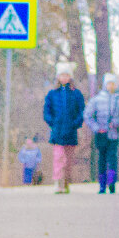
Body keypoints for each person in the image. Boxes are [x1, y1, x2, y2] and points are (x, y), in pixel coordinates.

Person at [84, 73, 119, 194]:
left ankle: (112, 183)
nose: (111, 86)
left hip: (114, 135)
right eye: (109, 83)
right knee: (101, 158)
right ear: (105, 85)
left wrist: (116, 123)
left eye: (113, 83)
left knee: (112, 158)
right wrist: (96, 127)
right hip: (101, 134)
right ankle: (101, 184)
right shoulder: (97, 99)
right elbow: (88, 115)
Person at [42, 61, 86, 194]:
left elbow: (81, 111)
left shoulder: (76, 94)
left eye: (67, 75)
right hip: (57, 132)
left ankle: (66, 183)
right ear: (58, 77)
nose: (64, 78)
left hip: (71, 132)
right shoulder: (52, 94)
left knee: (69, 160)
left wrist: (75, 124)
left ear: (70, 77)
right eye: (62, 75)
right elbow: (46, 111)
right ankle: (57, 182)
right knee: (58, 158)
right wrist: (53, 122)